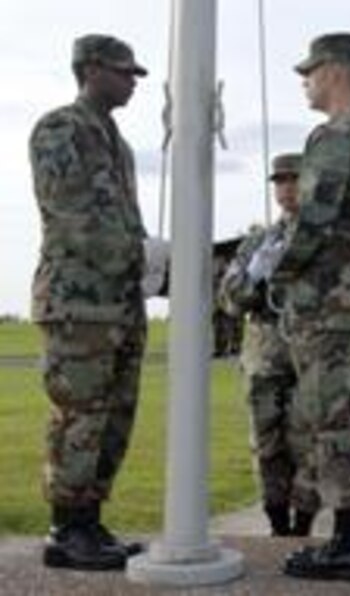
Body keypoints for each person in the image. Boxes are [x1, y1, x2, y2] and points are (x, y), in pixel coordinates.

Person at [270, 32, 350, 581]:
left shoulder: (333, 138)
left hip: (331, 307)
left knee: (338, 423)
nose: (306, 80)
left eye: (312, 70)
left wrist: (274, 273)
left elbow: (313, 224)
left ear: (337, 72)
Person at [29, 34, 152, 570]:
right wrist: (138, 255)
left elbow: (124, 217)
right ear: (92, 68)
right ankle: (65, 529)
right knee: (79, 418)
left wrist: (149, 260)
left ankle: (90, 521)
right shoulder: (61, 128)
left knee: (113, 418)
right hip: (78, 304)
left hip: (120, 304)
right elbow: (71, 215)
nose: (132, 82)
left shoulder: (117, 142)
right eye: (126, 72)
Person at [219, 153, 319, 537]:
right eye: (279, 181)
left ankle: (304, 525)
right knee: (266, 444)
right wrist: (256, 274)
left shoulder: (324, 239)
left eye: (294, 179)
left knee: (308, 443)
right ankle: (278, 526)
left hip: (310, 354)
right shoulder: (258, 241)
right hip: (264, 355)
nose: (286, 187)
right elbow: (229, 300)